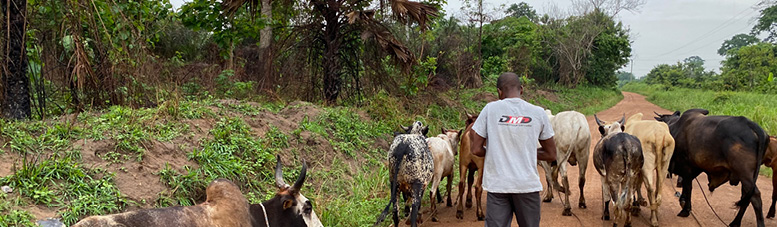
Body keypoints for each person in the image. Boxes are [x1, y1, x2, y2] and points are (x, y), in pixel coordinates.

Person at [470, 72, 557, 227]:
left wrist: (497, 150)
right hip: (528, 187)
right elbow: (551, 154)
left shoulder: (490, 109)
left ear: (499, 91)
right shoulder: (538, 112)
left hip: (498, 186)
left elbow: (475, 149)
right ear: (521, 90)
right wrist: (526, 152)